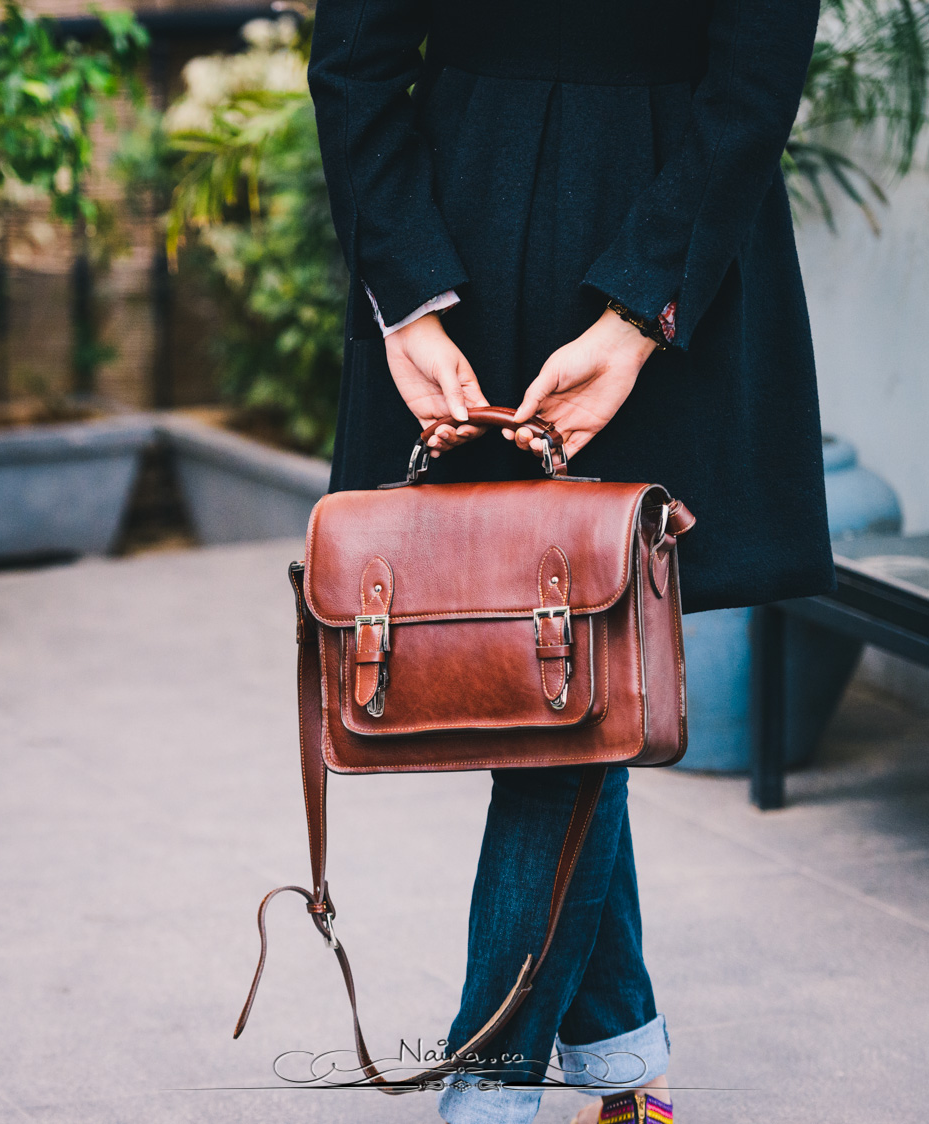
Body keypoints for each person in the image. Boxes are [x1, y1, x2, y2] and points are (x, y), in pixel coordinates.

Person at [307, 2, 834, 1121]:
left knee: (572, 674)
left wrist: (638, 308)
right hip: (456, 265)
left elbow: (751, 79)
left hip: (656, 235)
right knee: (575, 675)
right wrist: (406, 299)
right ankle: (615, 1067)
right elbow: (353, 61)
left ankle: (488, 1083)